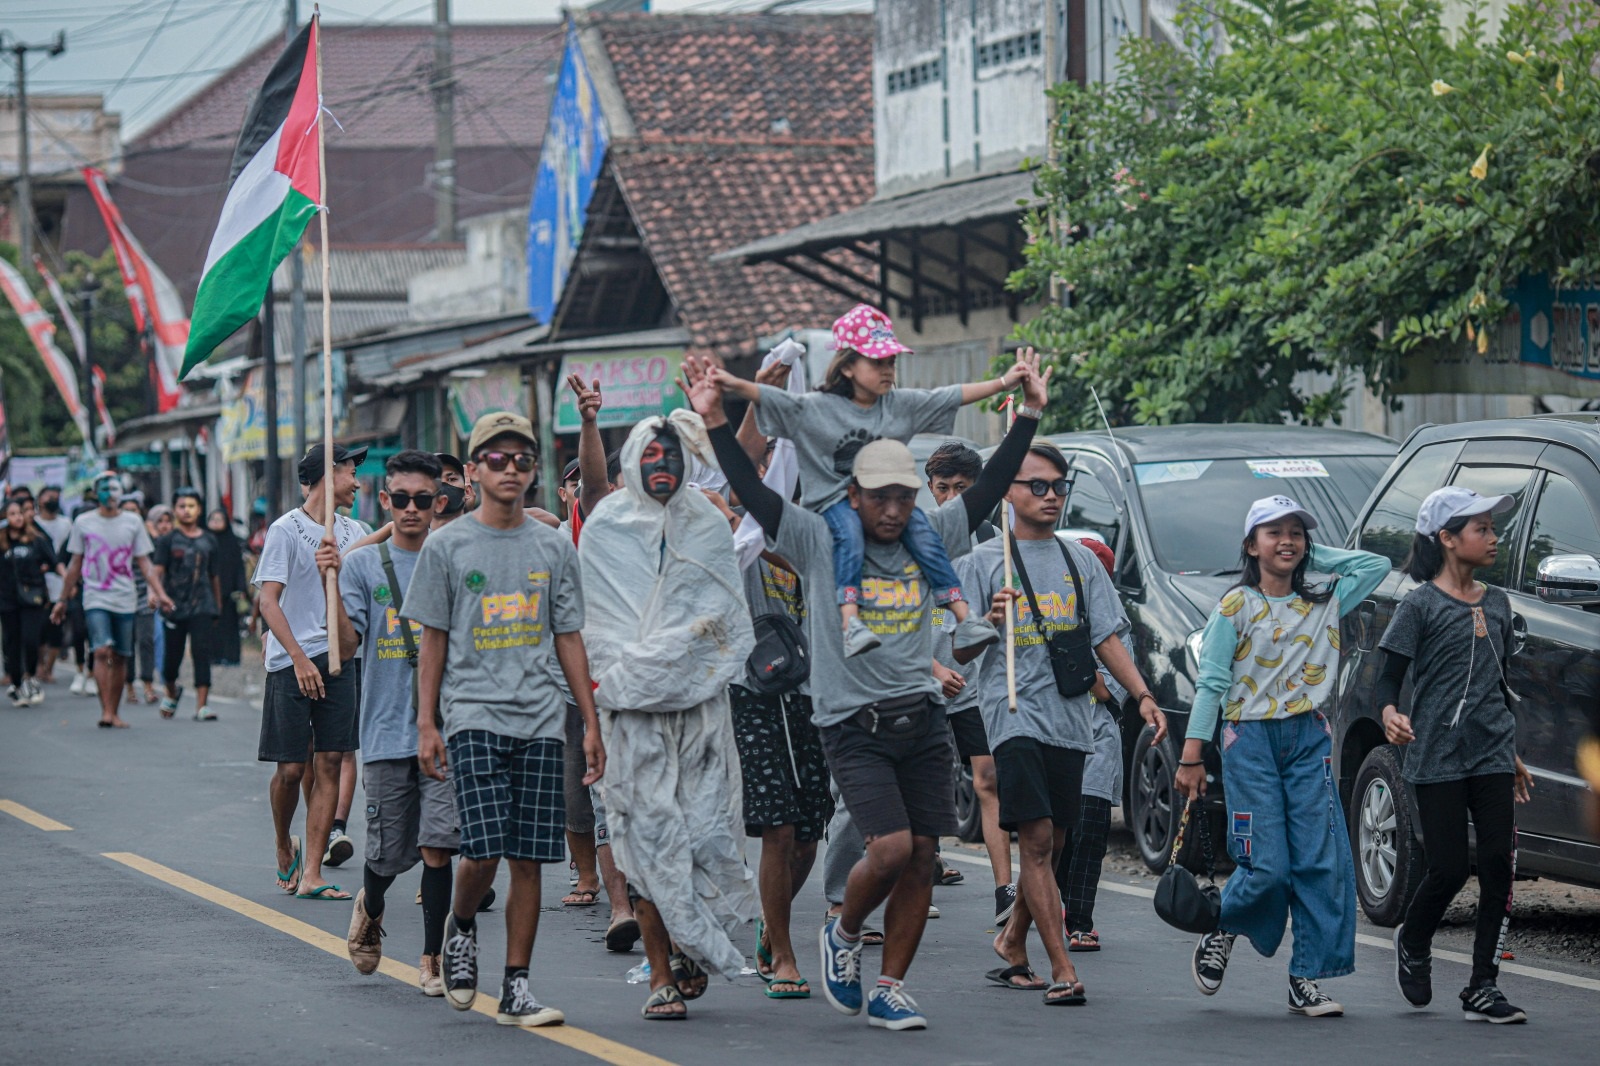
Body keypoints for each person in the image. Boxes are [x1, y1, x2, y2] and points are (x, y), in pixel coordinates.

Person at [692, 350, 1048, 1032]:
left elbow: (992, 481)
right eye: (878, 495)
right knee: (886, 848)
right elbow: (758, 495)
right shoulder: (820, 538)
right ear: (851, 494)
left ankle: (889, 986)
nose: (892, 508)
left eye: (902, 495)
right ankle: (844, 933)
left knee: (921, 857)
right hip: (851, 720)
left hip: (922, 716)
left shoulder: (933, 534)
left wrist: (1028, 413)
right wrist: (715, 425)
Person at [408, 412, 603, 1027]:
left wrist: (591, 723)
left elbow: (569, 636)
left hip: (542, 719)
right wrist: (426, 723)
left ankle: (517, 984)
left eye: (522, 458)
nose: (511, 468)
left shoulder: (552, 546)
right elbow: (432, 641)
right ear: (471, 472)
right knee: (484, 848)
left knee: (529, 857)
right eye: (497, 459)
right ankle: (459, 924)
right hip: (472, 716)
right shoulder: (447, 545)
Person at [960, 445, 1167, 1004]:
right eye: (1037, 486)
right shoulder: (981, 564)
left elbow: (1106, 638)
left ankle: (1011, 940)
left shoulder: (1080, 562)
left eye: (1058, 486)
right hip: (1012, 718)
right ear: (1008, 490)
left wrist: (1143, 696)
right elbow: (954, 649)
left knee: (1055, 842)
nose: (1051, 496)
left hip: (1072, 721)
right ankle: (1063, 968)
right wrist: (984, 622)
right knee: (1037, 838)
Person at [1176, 495, 1388, 1017]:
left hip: (1308, 739)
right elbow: (1212, 683)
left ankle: (1306, 976)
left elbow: (1375, 565)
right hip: (1248, 740)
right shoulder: (1234, 607)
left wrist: (1313, 559)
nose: (1287, 540)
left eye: (1296, 531)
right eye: (1273, 532)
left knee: (1320, 859)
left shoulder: (1328, 600)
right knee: (1268, 865)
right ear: (1251, 545)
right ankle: (1223, 925)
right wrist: (1191, 755)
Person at [715, 305, 1015, 659]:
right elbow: (769, 398)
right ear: (846, 367)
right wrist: (731, 385)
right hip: (834, 508)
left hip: (885, 505)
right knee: (848, 540)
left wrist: (1004, 383)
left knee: (927, 539)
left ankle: (964, 617)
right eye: (877, 362)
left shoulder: (899, 405)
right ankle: (851, 623)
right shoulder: (817, 407)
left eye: (891, 362)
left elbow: (950, 395)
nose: (888, 370)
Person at [1378, 487, 1534, 1024]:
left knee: (1497, 865)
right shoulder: (1419, 604)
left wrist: (1511, 750)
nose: (1493, 538)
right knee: (1446, 868)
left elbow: (1500, 682)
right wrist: (1390, 713)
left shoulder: (1497, 602)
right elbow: (1387, 676)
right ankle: (1414, 939)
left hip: (1491, 752)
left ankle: (1482, 986)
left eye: (1493, 528)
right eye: (1481, 529)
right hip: (1436, 756)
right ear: (1447, 539)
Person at [335, 450, 465, 996]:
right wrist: (331, 584)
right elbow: (345, 649)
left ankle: (432, 957)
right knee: (388, 854)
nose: (412, 509)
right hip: (386, 729)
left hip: (446, 731)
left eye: (423, 499)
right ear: (384, 501)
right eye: (401, 499)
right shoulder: (363, 566)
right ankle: (372, 902)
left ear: (438, 502)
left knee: (438, 846)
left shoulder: (455, 558)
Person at [255, 443, 367, 901]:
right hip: (291, 662)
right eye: (351, 471)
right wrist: (299, 658)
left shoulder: (354, 530)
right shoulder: (286, 530)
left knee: (331, 762)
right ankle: (284, 841)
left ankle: (313, 872)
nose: (357, 481)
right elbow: (267, 601)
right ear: (329, 473)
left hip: (341, 657)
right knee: (290, 768)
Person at [557, 376, 638, 951]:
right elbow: (590, 485)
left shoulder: (689, 528)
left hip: (667, 698)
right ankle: (619, 909)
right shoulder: (601, 525)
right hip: (602, 696)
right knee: (606, 800)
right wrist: (590, 422)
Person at [923, 441, 1012, 919]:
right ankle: (921, 877)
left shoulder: (995, 542)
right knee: (927, 784)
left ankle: (1005, 890)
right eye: (943, 488)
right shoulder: (915, 536)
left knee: (989, 780)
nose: (953, 497)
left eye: (963, 488)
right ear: (929, 489)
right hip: (924, 679)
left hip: (977, 682)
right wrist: (931, 669)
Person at [51, 473, 174, 728]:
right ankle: (105, 710)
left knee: (120, 655)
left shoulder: (133, 522)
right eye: (104, 489)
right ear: (96, 493)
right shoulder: (83, 522)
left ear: (121, 492)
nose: (110, 493)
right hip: (95, 595)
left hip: (125, 597)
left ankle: (114, 711)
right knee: (101, 649)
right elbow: (75, 564)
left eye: (114, 488)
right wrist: (62, 599)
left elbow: (145, 564)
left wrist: (160, 595)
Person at [1057, 535, 1127, 952]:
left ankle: (1080, 919)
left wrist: (1072, 652)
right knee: (1051, 836)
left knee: (1090, 831)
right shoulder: (1045, 611)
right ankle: (1047, 907)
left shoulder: (1117, 628)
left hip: (1098, 739)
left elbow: (1109, 690)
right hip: (1054, 736)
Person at [151, 488, 222, 720]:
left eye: (191, 506)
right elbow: (156, 571)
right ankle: (172, 691)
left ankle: (202, 706)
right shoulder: (167, 540)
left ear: (199, 510)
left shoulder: (209, 539)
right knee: (172, 659)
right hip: (174, 607)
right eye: (182, 506)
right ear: (174, 510)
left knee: (202, 654)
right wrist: (158, 595)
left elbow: (214, 576)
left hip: (203, 606)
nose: (187, 510)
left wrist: (217, 606)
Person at [0, 497, 57, 705]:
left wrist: (68, 582)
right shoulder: (1, 540)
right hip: (7, 600)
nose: (17, 517)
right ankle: (16, 683)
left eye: (20, 513)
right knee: (11, 643)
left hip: (32, 599)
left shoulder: (36, 539)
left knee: (30, 640)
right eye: (12, 513)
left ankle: (30, 677)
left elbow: (54, 562)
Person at [33, 484, 72, 686]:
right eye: (48, 496)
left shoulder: (67, 524)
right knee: (39, 628)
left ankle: (49, 668)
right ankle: (38, 665)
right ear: (39, 500)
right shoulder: (33, 524)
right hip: (39, 584)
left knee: (57, 628)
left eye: (56, 496)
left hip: (61, 582)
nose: (52, 499)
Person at [207, 508, 249, 666]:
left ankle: (230, 656)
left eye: (219, 519)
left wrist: (241, 589)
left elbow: (239, 567)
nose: (216, 522)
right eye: (213, 519)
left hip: (229, 591)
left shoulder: (233, 542)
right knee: (211, 626)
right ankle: (212, 656)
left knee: (230, 625)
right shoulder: (204, 540)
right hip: (208, 591)